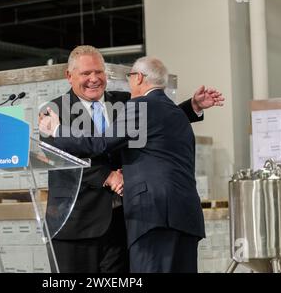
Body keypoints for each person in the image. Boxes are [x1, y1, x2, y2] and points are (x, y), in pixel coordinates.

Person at [40, 46, 223, 273]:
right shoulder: (54, 110)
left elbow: (157, 117)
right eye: (86, 73)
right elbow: (57, 155)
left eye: (99, 72)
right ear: (69, 76)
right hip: (76, 224)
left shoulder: (125, 101)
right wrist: (106, 176)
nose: (94, 79)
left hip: (121, 223)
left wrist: (192, 107)